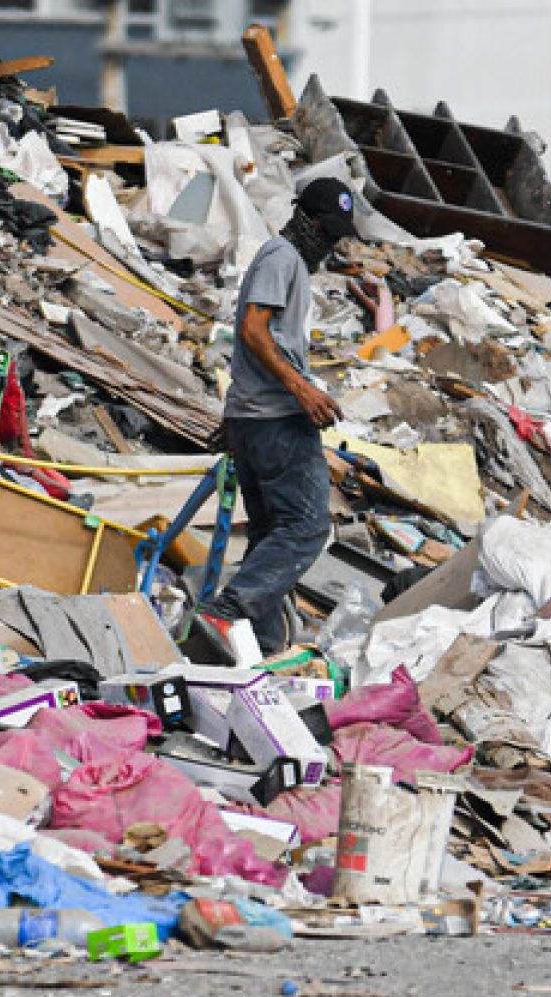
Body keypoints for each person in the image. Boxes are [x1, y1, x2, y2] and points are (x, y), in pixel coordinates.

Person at [196, 177, 357, 658]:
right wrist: (302, 389)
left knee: (270, 535)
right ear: (307, 219)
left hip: (256, 419)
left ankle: (256, 650)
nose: (330, 242)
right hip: (278, 419)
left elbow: (255, 343)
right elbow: (251, 329)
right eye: (326, 230)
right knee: (306, 526)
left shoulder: (289, 263)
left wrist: (235, 419)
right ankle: (228, 611)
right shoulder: (282, 257)